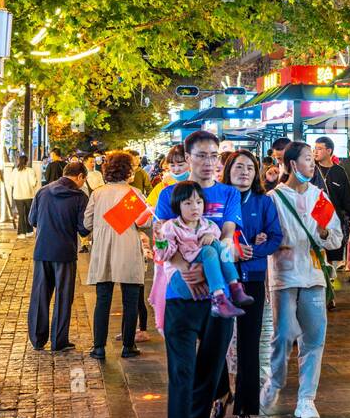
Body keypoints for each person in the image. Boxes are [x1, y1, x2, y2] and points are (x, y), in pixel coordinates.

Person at [155, 130, 242, 418]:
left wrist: (206, 269)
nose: (209, 163)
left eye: (214, 156)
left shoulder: (229, 193)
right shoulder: (169, 194)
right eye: (202, 155)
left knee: (210, 369)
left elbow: (226, 235)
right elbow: (160, 240)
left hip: (216, 297)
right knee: (181, 371)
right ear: (187, 157)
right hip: (181, 295)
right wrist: (183, 269)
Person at [261, 141, 343, 418]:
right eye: (308, 158)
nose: (313, 163)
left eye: (313, 158)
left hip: (313, 275)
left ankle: (307, 399)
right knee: (282, 337)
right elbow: (267, 237)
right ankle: (273, 383)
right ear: (293, 164)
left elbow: (335, 237)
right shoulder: (273, 199)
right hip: (282, 277)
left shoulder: (319, 197)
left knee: (314, 338)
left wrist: (322, 234)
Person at [210, 150, 282, 418]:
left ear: (256, 173)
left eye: (250, 168)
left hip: (251, 279)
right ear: (228, 170)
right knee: (216, 338)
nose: (244, 172)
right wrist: (231, 251)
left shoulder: (264, 202)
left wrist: (254, 251)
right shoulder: (216, 200)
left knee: (249, 343)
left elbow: (275, 236)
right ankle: (219, 391)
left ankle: (245, 408)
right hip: (219, 281)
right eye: (238, 167)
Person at [83, 150, 153, 360]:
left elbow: (87, 224)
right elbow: (145, 223)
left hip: (103, 251)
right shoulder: (134, 194)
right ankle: (128, 346)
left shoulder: (97, 193)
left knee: (102, 300)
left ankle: (98, 348)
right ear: (128, 171)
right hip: (128, 251)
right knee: (130, 301)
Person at [157, 181, 255, 318]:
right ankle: (221, 298)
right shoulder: (170, 227)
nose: (195, 208)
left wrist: (212, 237)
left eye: (199, 202)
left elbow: (220, 251)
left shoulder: (210, 226)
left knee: (218, 246)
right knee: (210, 250)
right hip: (182, 278)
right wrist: (160, 241)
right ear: (177, 206)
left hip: (206, 279)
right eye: (188, 203)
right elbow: (163, 255)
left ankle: (234, 287)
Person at [27, 161, 89, 351]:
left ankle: (37, 339)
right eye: (83, 180)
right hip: (65, 252)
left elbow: (32, 220)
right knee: (63, 297)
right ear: (80, 177)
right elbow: (83, 229)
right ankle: (58, 341)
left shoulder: (43, 191)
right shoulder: (79, 197)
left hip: (42, 250)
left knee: (39, 295)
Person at [311, 137, 350, 272]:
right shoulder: (311, 169)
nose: (315, 152)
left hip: (334, 220)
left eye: (319, 149)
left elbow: (347, 196)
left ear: (329, 150)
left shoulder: (339, 172)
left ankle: (330, 279)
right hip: (314, 221)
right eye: (315, 149)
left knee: (333, 253)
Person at [7, 155, 40, 238]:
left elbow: (11, 183)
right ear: (27, 161)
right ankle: (29, 231)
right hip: (29, 195)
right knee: (28, 214)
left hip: (18, 196)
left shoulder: (15, 171)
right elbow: (33, 183)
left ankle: (21, 233)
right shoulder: (30, 171)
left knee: (21, 214)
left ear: (19, 161)